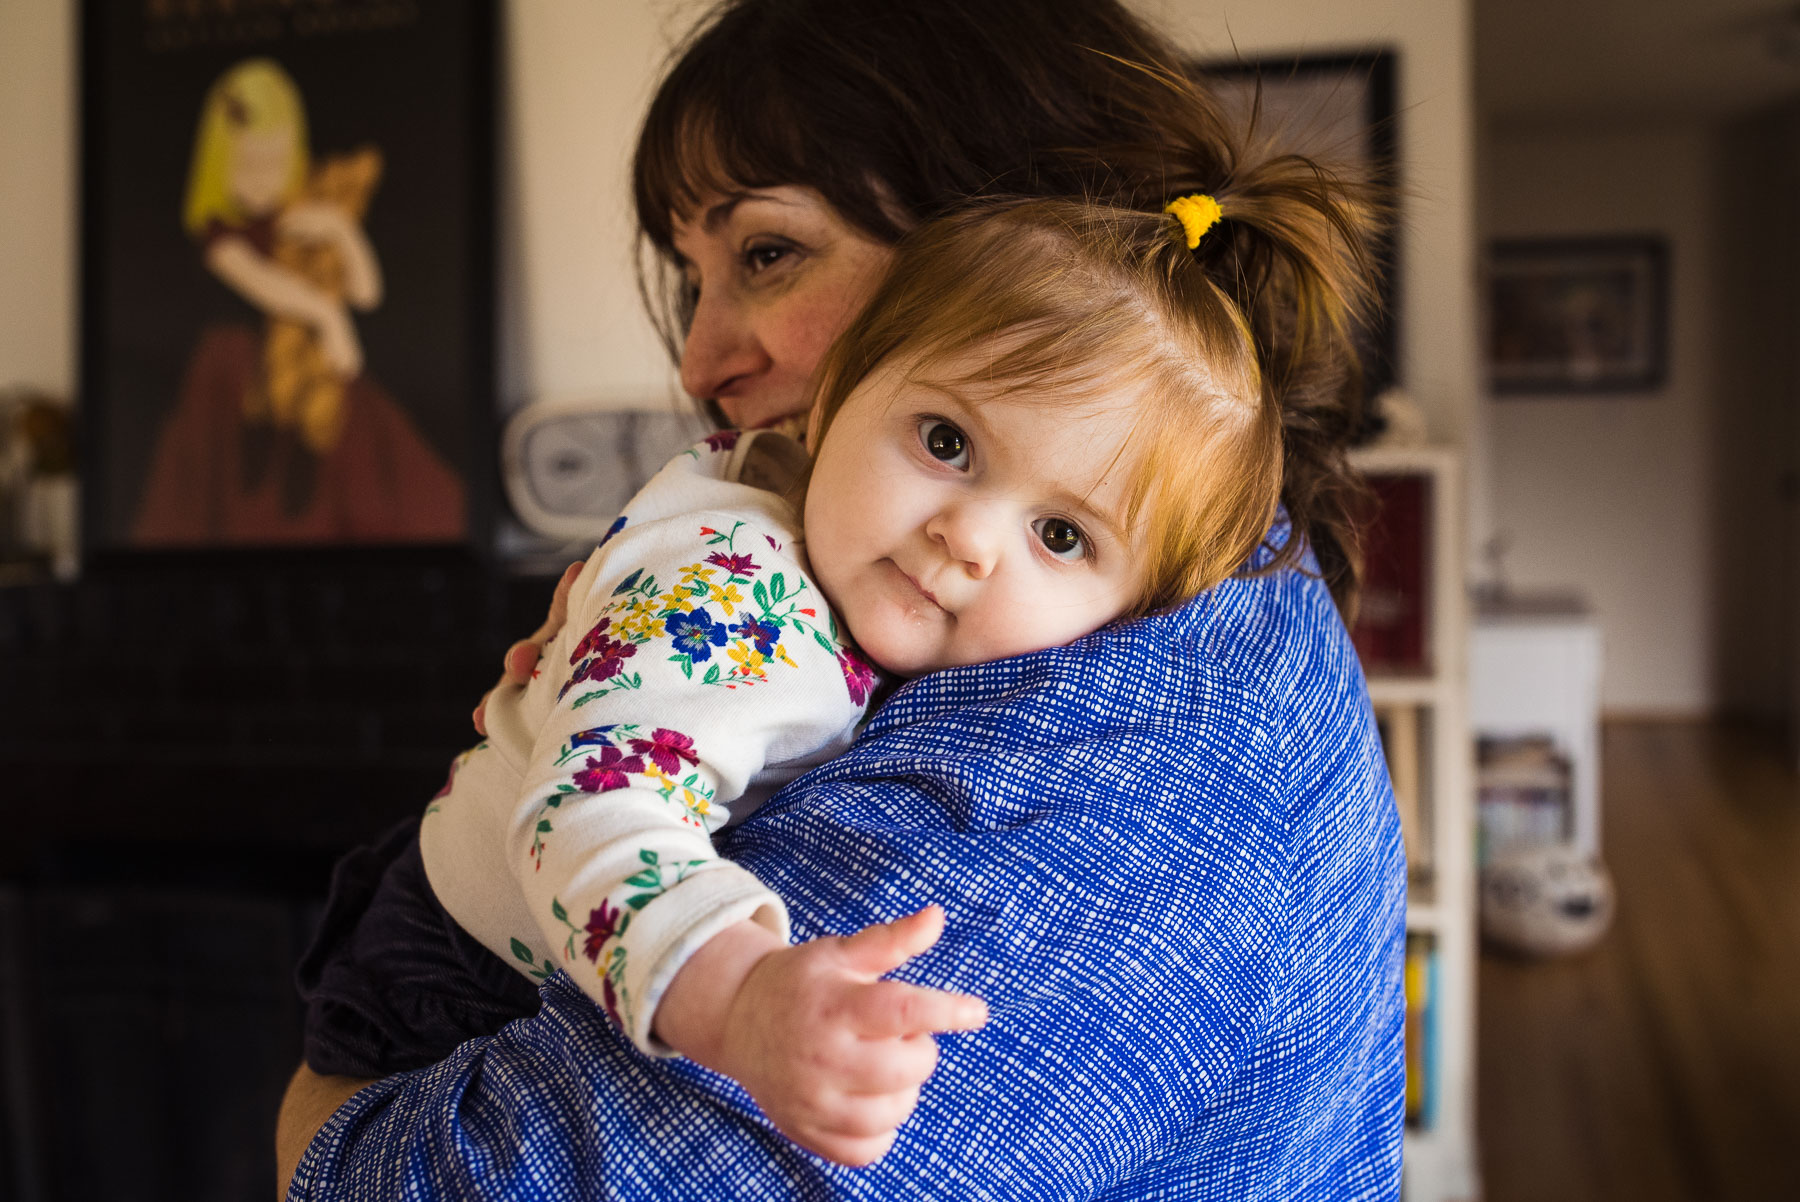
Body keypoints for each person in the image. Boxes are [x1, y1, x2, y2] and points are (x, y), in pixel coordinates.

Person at [281, 1, 1404, 1197]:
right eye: (695, 275)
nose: (699, 359)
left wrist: (308, 1118)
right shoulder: (1159, 598)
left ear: (1011, 228)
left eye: (768, 250)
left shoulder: (1117, 760)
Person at [133, 57, 464, 545]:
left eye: (276, 160)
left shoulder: (303, 214)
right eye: (250, 163)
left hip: (320, 377)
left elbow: (368, 294)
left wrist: (341, 232)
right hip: (241, 379)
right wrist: (328, 317)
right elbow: (266, 285)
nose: (265, 178)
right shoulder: (221, 234)